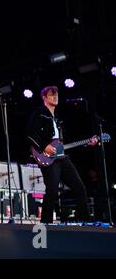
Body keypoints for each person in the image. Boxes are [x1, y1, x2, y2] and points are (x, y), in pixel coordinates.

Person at [26, 86, 98, 223]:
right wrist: (43, 147)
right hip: (47, 157)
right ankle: (45, 224)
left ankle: (87, 223)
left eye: (57, 94)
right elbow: (30, 134)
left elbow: (65, 143)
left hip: (62, 158)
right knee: (52, 191)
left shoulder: (58, 118)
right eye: (52, 94)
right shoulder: (39, 113)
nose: (55, 96)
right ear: (44, 98)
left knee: (80, 188)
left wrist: (87, 142)